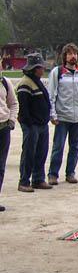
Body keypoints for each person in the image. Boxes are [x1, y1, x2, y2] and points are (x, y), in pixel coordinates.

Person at [47, 43, 78, 185]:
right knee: (58, 147)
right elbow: (52, 94)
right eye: (70, 53)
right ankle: (53, 174)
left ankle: (70, 173)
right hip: (62, 117)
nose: (73, 56)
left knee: (75, 147)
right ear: (64, 56)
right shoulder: (57, 72)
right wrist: (52, 114)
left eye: (75, 53)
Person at [16, 53, 52, 192]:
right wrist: (30, 123)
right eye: (41, 67)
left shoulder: (37, 80)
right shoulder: (25, 83)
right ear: (35, 68)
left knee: (41, 153)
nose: (43, 70)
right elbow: (23, 108)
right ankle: (24, 181)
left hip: (42, 124)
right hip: (32, 125)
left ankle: (38, 179)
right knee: (29, 153)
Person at [0, 66, 19, 211]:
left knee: (0, 166)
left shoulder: (5, 82)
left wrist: (11, 120)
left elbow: (13, 103)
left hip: (3, 128)